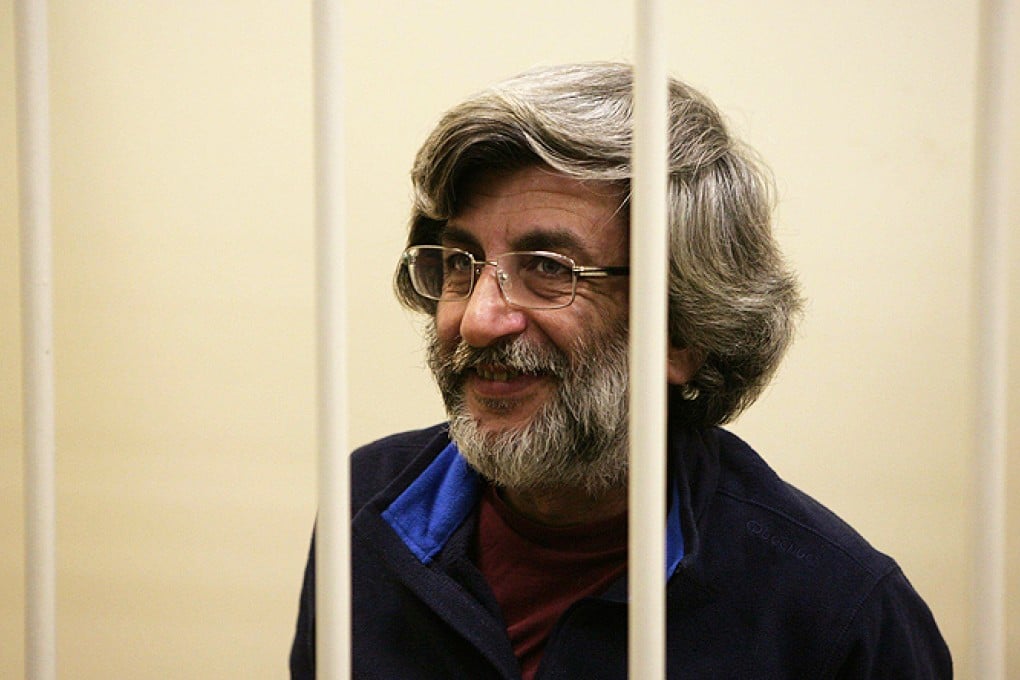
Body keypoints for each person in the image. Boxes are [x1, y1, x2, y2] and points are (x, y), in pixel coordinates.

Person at [290, 62, 951, 679]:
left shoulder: (834, 615)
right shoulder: (366, 510)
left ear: (684, 331)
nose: (477, 320)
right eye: (461, 264)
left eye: (549, 268)